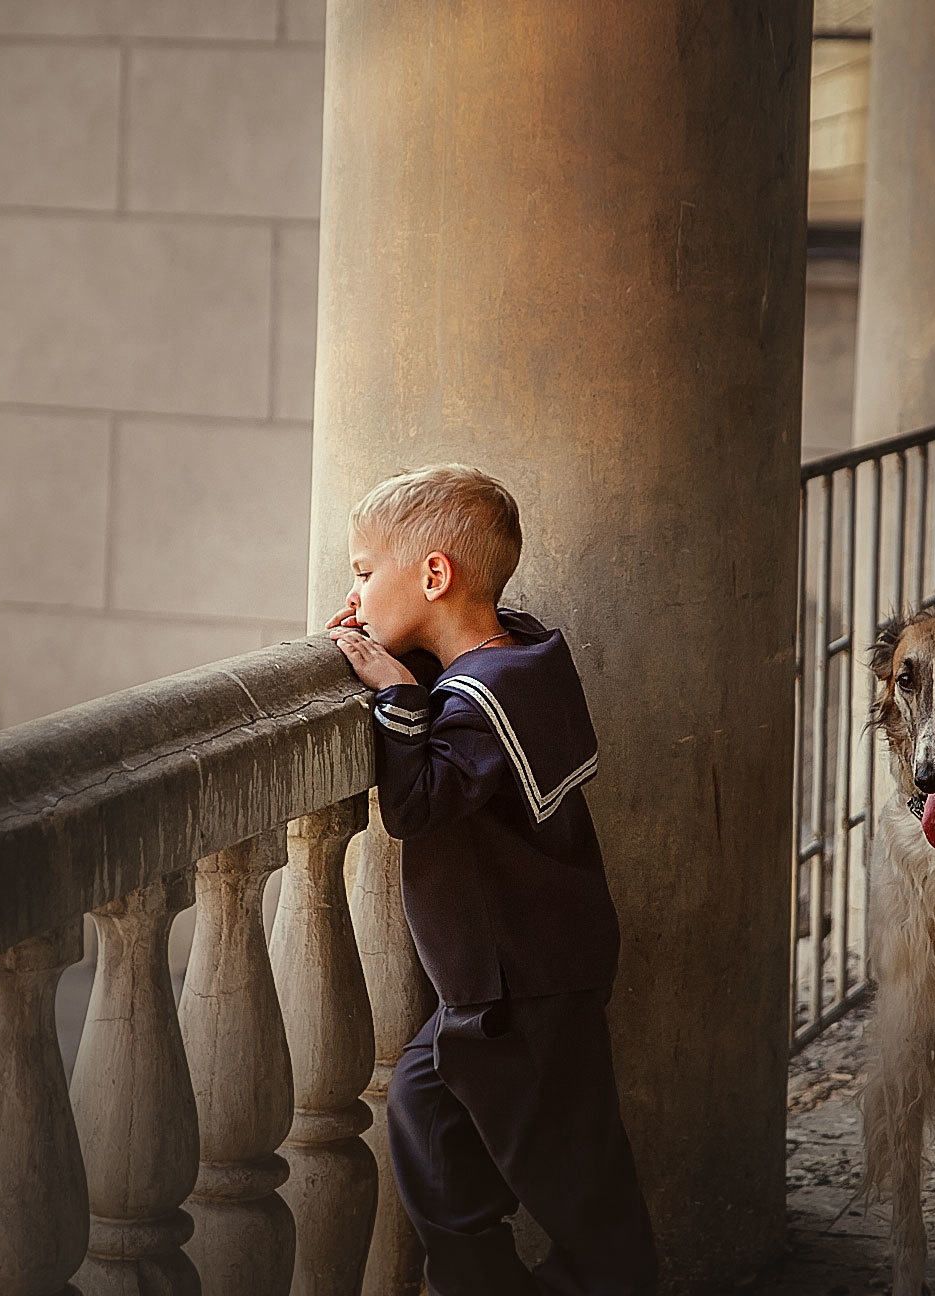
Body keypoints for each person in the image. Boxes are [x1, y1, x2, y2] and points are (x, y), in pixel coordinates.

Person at [326, 463, 659, 1296]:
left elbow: (419, 805)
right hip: (521, 974)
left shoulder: (477, 701)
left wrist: (399, 695)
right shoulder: (523, 655)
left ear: (434, 575)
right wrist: (405, 643)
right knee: (425, 1116)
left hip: (517, 990)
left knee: (580, 1189)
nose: (353, 594)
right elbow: (469, 683)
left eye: (364, 572)